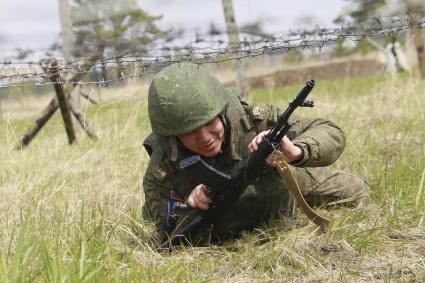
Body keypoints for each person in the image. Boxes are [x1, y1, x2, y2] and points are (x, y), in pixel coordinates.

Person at [142, 62, 369, 246]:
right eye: (189, 132)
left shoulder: (253, 121)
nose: (204, 137)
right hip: (225, 219)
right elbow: (168, 237)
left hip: (278, 186)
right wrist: (191, 207)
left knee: (357, 190)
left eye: (209, 122)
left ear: (221, 112)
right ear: (172, 135)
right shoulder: (162, 172)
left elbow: (330, 131)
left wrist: (296, 151)